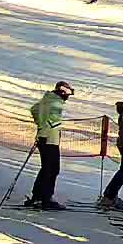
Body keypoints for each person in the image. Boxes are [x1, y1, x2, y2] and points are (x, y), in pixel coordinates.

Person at [23, 80, 74, 209]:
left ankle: (37, 196)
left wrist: (40, 125)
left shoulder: (47, 98)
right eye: (67, 94)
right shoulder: (55, 102)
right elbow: (51, 122)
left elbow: (34, 109)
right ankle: (46, 198)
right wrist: (44, 128)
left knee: (46, 168)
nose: (68, 97)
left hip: (44, 138)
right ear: (62, 92)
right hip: (49, 139)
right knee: (52, 169)